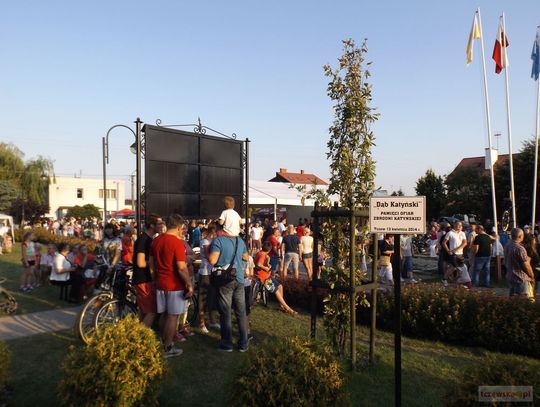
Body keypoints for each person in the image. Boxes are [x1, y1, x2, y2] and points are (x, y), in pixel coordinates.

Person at [149, 214, 193, 358]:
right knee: (173, 316)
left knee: (164, 315)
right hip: (174, 285)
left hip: (160, 283)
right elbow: (181, 268)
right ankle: (168, 347)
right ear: (179, 227)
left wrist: (154, 280)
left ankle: (164, 343)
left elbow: (151, 265)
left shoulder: (156, 240)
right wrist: (189, 284)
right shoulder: (176, 243)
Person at [207, 230, 250, 352]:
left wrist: (207, 251)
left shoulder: (218, 241)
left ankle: (227, 344)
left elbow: (212, 260)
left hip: (225, 280)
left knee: (225, 312)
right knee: (241, 311)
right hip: (239, 278)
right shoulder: (240, 241)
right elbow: (246, 257)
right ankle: (243, 343)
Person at [133, 216, 163, 328]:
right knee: (152, 310)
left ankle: (137, 333)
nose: (161, 226)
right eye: (159, 223)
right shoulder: (143, 240)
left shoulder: (148, 239)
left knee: (143, 310)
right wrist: (154, 263)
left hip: (143, 279)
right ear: (152, 225)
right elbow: (140, 262)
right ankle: (142, 334)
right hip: (143, 279)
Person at [254, 242, 297, 315]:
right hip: (263, 279)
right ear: (270, 249)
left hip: (267, 276)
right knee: (276, 290)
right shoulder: (262, 255)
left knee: (280, 286)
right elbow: (258, 264)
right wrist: (265, 268)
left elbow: (261, 260)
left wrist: (268, 262)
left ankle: (281, 306)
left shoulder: (260, 253)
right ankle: (288, 308)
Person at [198, 224, 220, 333]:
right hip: (205, 272)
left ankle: (212, 320)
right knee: (203, 297)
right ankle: (201, 323)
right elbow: (208, 256)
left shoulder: (214, 241)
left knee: (213, 296)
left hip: (213, 271)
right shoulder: (205, 241)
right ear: (213, 232)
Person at [504, 228, 535, 298]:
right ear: (520, 236)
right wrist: (532, 275)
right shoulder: (520, 248)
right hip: (521, 278)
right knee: (523, 301)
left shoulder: (507, 245)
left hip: (510, 276)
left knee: (513, 300)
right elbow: (526, 265)